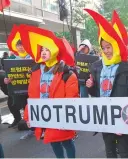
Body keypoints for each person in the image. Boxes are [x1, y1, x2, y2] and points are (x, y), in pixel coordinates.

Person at [85, 9, 128, 158]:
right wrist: (90, 87)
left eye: (109, 47)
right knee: (109, 151)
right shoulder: (97, 66)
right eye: (103, 48)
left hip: (124, 117)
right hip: (105, 116)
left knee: (124, 152)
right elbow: (97, 93)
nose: (106, 51)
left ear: (116, 46)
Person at [21, 25, 78, 158]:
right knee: (53, 142)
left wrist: (66, 116)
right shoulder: (36, 72)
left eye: (47, 49)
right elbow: (32, 96)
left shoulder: (67, 73)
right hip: (44, 115)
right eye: (42, 50)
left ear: (54, 51)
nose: (44, 52)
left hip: (61, 116)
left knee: (66, 142)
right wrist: (29, 116)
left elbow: (72, 99)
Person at [4, 40, 30, 128]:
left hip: (30, 87)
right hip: (16, 87)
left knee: (28, 105)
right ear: (16, 47)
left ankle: (30, 123)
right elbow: (7, 73)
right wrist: (6, 80)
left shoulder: (32, 58)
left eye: (23, 45)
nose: (21, 47)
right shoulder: (12, 58)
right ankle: (17, 118)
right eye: (19, 45)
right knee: (11, 103)